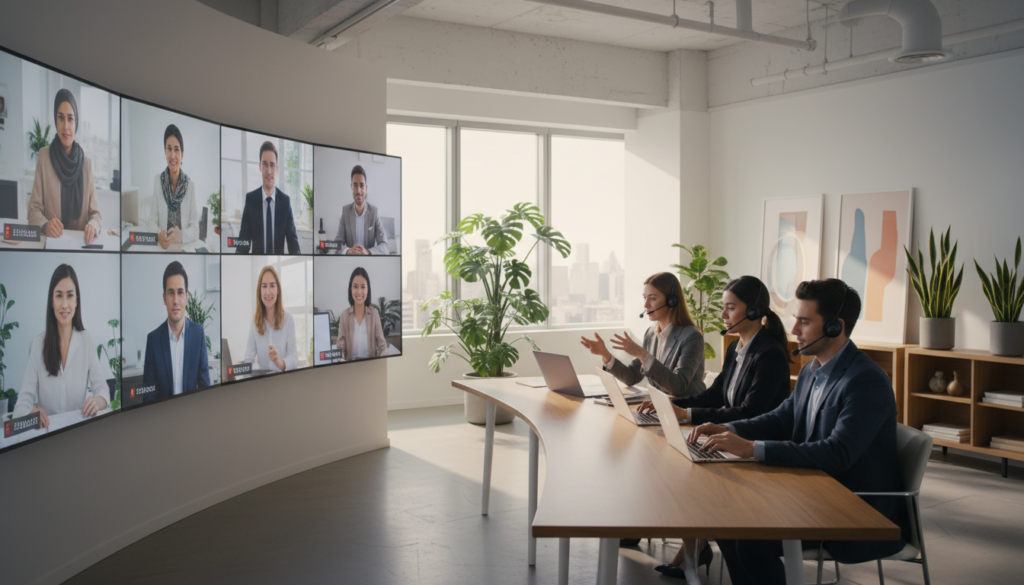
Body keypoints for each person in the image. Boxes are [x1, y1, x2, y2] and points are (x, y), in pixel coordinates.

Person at [689, 279, 908, 585]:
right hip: (811, 492)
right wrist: (727, 429)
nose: (794, 331)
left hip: (852, 508)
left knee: (748, 540)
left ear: (835, 327)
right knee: (728, 523)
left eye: (804, 321)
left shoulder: (865, 381)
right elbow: (781, 419)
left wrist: (752, 449)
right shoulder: (811, 370)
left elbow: (838, 452)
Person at [635, 275, 792, 583]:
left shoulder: (769, 354)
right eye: (723, 307)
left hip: (753, 446)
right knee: (671, 464)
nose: (723, 315)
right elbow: (715, 394)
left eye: (730, 308)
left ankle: (693, 554)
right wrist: (676, 407)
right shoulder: (736, 349)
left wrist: (687, 412)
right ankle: (693, 553)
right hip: (730, 437)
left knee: (688, 479)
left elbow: (752, 411)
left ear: (753, 312)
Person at [580, 272, 705, 398]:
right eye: (644, 298)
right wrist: (605, 355)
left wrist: (643, 354)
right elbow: (632, 377)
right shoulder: (651, 334)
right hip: (659, 408)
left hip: (686, 411)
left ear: (671, 301)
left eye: (652, 298)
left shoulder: (692, 337)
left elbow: (678, 387)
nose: (646, 305)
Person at [14, 264, 109, 426]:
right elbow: (20, 406)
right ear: (51, 301)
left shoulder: (86, 340)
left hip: (79, 433)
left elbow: (103, 390)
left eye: (70, 295)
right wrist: (31, 413)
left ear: (76, 300)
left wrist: (97, 402)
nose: (64, 304)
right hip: (48, 437)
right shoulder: (38, 344)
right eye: (59, 296)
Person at [28, 89, 102, 244]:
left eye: (70, 119)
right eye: (61, 118)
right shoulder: (44, 157)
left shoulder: (86, 164)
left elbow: (96, 214)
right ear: (56, 120)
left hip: (80, 245)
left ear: (76, 123)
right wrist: (46, 225)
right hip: (53, 244)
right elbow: (33, 210)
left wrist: (93, 225)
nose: (66, 126)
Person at [142, 261, 210, 400]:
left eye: (180, 292)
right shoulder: (153, 340)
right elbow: (148, 396)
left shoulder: (198, 334)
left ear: (186, 297)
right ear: (164, 298)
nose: (175, 301)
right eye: (170, 293)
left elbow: (205, 388)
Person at [235, 141, 300, 254]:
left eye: (272, 165)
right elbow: (243, 243)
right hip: (256, 266)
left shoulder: (285, 202)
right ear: (260, 166)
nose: (269, 171)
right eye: (265, 164)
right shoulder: (251, 200)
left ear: (277, 169)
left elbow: (293, 244)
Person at [144, 125, 200, 248]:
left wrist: (181, 235)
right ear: (165, 151)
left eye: (177, 149)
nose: (173, 155)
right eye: (169, 149)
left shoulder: (190, 186)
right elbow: (151, 222)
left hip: (182, 247)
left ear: (182, 154)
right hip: (163, 247)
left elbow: (195, 229)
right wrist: (159, 235)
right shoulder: (158, 180)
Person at [243, 265, 298, 372]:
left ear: (278, 290)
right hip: (263, 384)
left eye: (272, 286)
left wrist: (279, 361)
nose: (268, 292)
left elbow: (294, 359)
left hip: (283, 383)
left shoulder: (288, 319)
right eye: (264, 286)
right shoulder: (255, 320)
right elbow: (249, 357)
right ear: (259, 291)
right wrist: (241, 366)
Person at [334, 165, 389, 255]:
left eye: (362, 185)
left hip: (369, 263)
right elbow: (336, 244)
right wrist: (349, 251)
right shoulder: (345, 211)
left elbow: (385, 246)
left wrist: (367, 252)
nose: (358, 190)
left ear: (366, 188)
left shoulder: (374, 212)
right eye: (355, 185)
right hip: (350, 263)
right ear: (351, 187)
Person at [336, 267, 388, 360]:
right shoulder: (344, 315)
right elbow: (340, 347)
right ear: (350, 289)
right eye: (355, 286)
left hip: (370, 367)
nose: (359, 292)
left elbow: (381, 345)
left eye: (363, 287)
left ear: (368, 289)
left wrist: (385, 354)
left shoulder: (374, 314)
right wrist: (341, 359)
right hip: (350, 367)